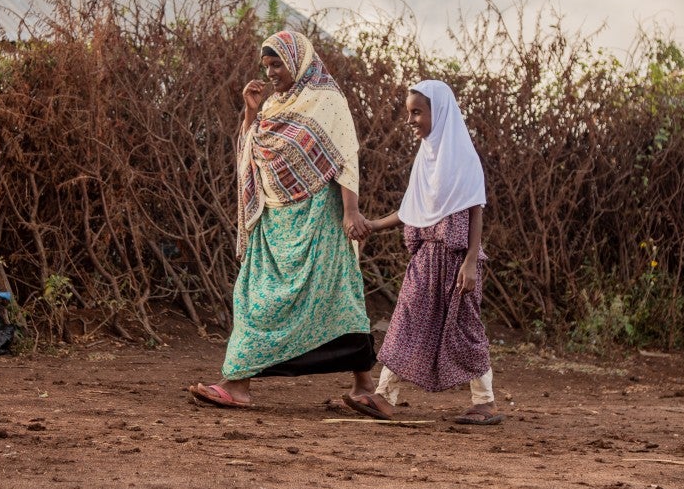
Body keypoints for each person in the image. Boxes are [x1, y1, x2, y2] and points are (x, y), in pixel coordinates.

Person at [189, 30, 376, 408]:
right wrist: (251, 112)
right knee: (254, 297)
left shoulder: (327, 101)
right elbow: (250, 156)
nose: (271, 72)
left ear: (299, 62)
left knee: (338, 295)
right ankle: (240, 382)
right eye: (267, 65)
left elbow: (344, 157)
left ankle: (361, 387)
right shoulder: (273, 105)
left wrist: (351, 211)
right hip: (274, 223)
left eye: (278, 64)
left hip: (318, 221)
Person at [341, 80, 503, 425]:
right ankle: (385, 397)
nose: (411, 119)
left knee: (464, 329)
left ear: (439, 112)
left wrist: (471, 261)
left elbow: (475, 207)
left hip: (457, 257)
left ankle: (485, 401)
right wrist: (373, 224)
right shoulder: (427, 157)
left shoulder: (462, 156)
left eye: (418, 112)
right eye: (408, 113)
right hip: (426, 258)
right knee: (406, 323)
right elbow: (411, 209)